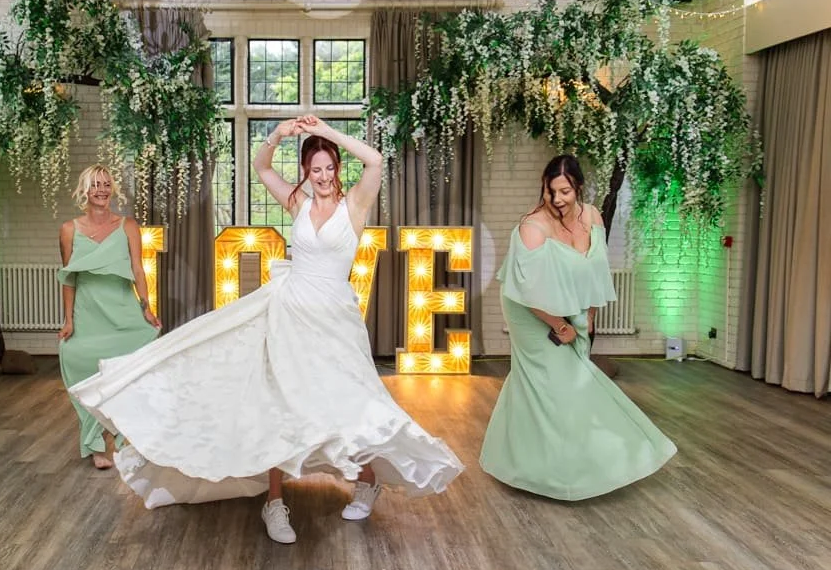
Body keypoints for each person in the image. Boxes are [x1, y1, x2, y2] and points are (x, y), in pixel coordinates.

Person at [68, 116, 463, 544]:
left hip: (334, 319)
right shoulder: (298, 202)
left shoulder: (355, 205)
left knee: (351, 402)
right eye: (316, 169)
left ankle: (366, 481)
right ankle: (275, 503)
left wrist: (326, 133)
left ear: (337, 169)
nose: (325, 176)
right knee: (275, 404)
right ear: (307, 174)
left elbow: (375, 159)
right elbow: (261, 167)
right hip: (287, 312)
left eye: (330, 168)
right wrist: (277, 136)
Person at [479, 154, 676, 500]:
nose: (557, 199)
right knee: (558, 381)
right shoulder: (532, 227)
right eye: (551, 191)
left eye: (565, 191)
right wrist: (560, 325)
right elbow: (526, 292)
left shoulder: (592, 217)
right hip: (531, 310)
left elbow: (594, 274)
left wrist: (587, 323)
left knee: (567, 379)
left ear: (579, 188)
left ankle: (535, 461)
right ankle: (556, 473)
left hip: (569, 305)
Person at [57, 164, 161, 470]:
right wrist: (68, 320)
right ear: (84, 191)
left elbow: (139, 270)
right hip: (88, 309)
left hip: (121, 306)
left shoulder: (128, 225)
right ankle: (99, 442)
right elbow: (68, 278)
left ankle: (131, 441)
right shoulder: (68, 230)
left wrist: (146, 307)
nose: (101, 190)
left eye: (106, 185)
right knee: (91, 372)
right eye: (95, 185)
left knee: (128, 372)